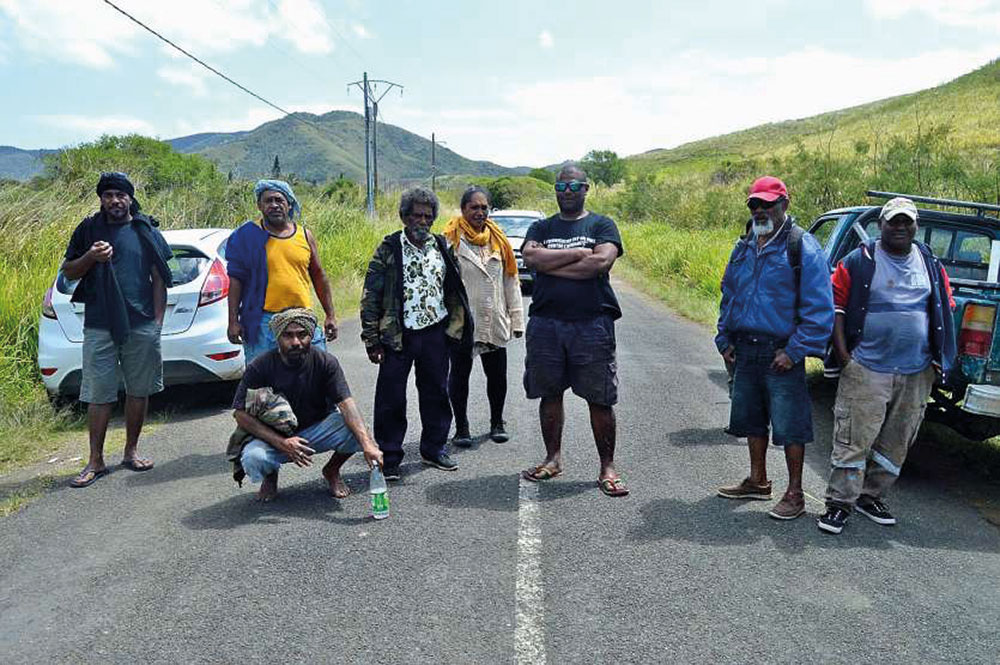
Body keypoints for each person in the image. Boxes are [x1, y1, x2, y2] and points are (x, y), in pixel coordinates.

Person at [817, 197, 956, 534]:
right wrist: (845, 358)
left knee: (897, 440)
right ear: (881, 224)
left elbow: (945, 308)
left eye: (906, 221)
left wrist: (938, 362)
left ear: (916, 225)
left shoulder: (930, 263)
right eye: (893, 221)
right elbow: (835, 308)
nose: (900, 227)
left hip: (916, 371)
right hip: (867, 368)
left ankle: (871, 496)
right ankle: (839, 504)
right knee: (853, 438)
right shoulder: (859, 260)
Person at [716, 176, 834, 519]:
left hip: (781, 352)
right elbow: (729, 294)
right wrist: (724, 339)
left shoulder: (803, 247)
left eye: (768, 203)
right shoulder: (744, 246)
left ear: (785, 204)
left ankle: (795, 494)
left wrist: (795, 351)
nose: (760, 210)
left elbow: (820, 309)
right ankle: (758, 480)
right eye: (755, 204)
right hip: (744, 348)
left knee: (790, 425)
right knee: (752, 419)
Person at [520, 165, 628, 497]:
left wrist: (553, 265)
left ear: (586, 188)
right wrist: (578, 254)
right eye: (562, 186)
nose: (568, 191)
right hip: (546, 324)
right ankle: (553, 459)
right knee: (549, 393)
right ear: (556, 189)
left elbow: (600, 263)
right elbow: (530, 258)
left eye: (574, 185)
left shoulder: (602, 224)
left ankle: (607, 467)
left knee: (599, 397)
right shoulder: (542, 225)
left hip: (591, 324)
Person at [62, 172, 173, 488]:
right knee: (98, 394)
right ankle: (95, 461)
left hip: (141, 324)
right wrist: (91, 257)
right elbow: (69, 271)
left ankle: (131, 451)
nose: (115, 200)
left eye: (120, 195)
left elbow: (160, 278)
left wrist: (157, 323)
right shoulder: (88, 230)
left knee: (139, 390)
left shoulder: (143, 230)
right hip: (99, 323)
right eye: (108, 195)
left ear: (129, 198)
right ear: (101, 198)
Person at [360, 186, 472, 480]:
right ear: (404, 216)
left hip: (435, 333)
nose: (422, 221)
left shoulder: (442, 247)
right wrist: (372, 339)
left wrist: (455, 330)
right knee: (391, 397)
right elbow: (371, 294)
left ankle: (434, 449)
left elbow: (454, 290)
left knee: (436, 392)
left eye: (427, 216)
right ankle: (391, 457)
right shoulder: (389, 249)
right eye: (416, 215)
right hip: (397, 335)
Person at [232, 308, 383, 501]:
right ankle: (270, 476)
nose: (295, 342)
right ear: (277, 337)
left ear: (311, 336)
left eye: (302, 335)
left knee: (359, 432)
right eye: (288, 336)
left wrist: (368, 445)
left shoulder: (325, 361)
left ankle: (332, 470)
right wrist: (282, 443)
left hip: (316, 429)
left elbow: (346, 404)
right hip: (276, 437)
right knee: (254, 458)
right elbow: (240, 414)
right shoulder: (260, 366)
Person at [443, 186, 524, 447]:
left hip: (494, 319)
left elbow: (511, 281)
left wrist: (517, 319)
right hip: (463, 323)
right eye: (473, 207)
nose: (479, 212)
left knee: (497, 376)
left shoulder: (499, 241)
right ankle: (462, 427)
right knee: (459, 376)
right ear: (463, 209)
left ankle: (497, 422)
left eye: (484, 207)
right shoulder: (450, 241)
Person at [225, 179, 339, 363]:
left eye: (279, 200)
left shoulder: (304, 235)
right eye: (268, 201)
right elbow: (236, 280)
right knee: (263, 385)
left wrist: (330, 315)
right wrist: (233, 321)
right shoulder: (246, 236)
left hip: (302, 318)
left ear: (289, 204)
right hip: (262, 322)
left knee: (314, 377)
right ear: (259, 205)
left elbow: (319, 276)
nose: (274, 205)